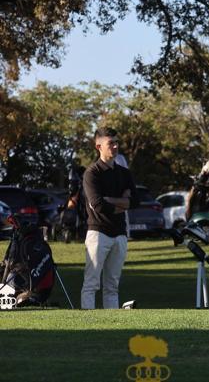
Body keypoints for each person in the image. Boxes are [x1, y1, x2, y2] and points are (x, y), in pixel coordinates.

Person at [81, 127, 138, 309]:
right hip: (98, 233)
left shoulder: (124, 173)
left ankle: (111, 325)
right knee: (91, 284)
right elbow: (97, 205)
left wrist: (111, 201)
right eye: (110, 143)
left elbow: (135, 201)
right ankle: (87, 326)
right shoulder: (92, 173)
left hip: (120, 233)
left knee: (112, 286)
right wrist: (123, 202)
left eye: (116, 142)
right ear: (98, 146)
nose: (115, 146)